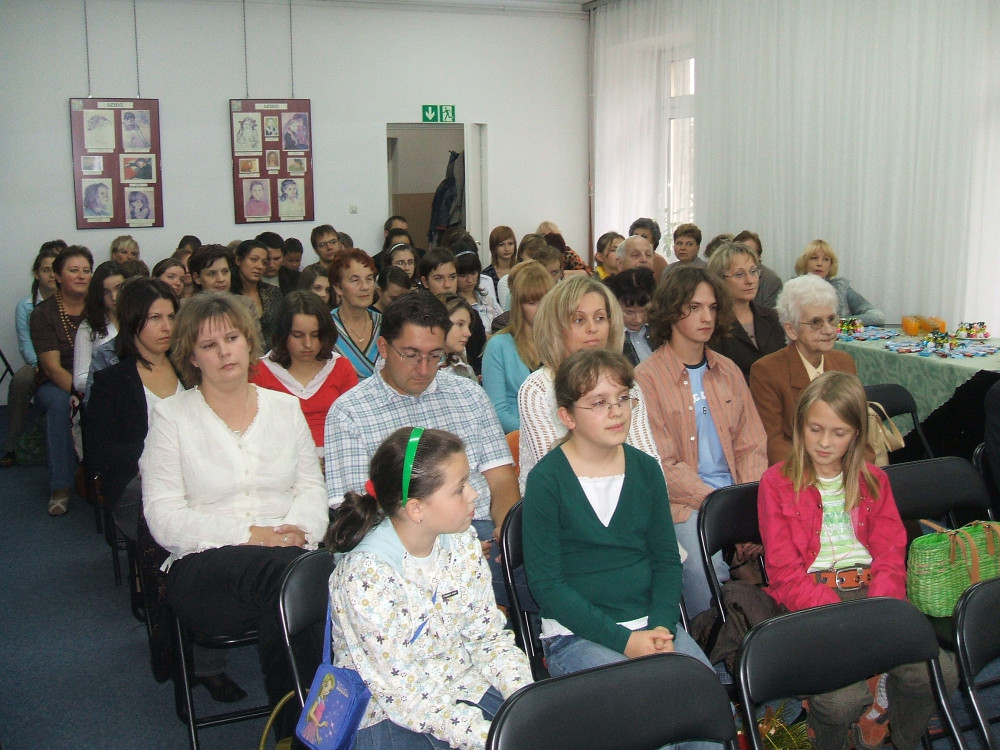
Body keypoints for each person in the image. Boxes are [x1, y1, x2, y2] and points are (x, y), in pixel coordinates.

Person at [140, 292, 328, 738]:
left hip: (289, 556)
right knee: (306, 580)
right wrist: (255, 534)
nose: (224, 351)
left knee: (292, 582)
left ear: (250, 343)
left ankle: (298, 731)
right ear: (191, 356)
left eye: (232, 338)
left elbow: (310, 486)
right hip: (205, 569)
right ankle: (306, 730)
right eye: (209, 345)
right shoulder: (171, 418)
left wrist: (300, 530)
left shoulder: (284, 408)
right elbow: (163, 518)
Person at [758, 371, 957, 750]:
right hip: (813, 601)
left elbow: (890, 554)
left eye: (839, 433)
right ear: (800, 425)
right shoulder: (776, 482)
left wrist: (878, 608)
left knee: (939, 674)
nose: (824, 442)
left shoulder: (873, 480)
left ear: (855, 435)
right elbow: (785, 573)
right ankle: (830, 736)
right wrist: (840, 617)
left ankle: (895, 738)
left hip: (874, 594)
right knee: (840, 701)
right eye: (815, 429)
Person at [522, 350, 716, 708]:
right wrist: (626, 642)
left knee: (704, 698)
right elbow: (547, 586)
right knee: (640, 706)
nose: (616, 411)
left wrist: (661, 626)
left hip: (653, 628)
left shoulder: (645, 470)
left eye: (622, 398)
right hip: (577, 635)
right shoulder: (547, 480)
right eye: (598, 403)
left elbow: (665, 560)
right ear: (567, 417)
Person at [326, 427, 531, 749]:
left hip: (461, 684)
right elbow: (403, 694)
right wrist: (487, 737)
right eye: (459, 488)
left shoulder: (462, 542)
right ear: (417, 508)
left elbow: (488, 637)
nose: (474, 494)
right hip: (389, 712)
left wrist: (525, 699)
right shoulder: (363, 577)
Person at [324, 291, 520, 603]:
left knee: (541, 580)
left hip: (481, 530)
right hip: (401, 549)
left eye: (435, 355)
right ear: (384, 347)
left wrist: (506, 535)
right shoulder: (349, 412)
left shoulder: (469, 395)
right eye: (411, 354)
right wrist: (449, 548)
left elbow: (501, 479)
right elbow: (357, 511)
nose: (424, 368)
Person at [634, 265, 768, 617]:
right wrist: (724, 511)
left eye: (711, 307)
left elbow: (752, 445)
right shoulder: (645, 379)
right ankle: (713, 646)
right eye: (694, 308)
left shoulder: (728, 370)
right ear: (671, 310)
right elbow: (663, 465)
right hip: (684, 503)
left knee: (793, 541)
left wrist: (748, 506)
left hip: (736, 493)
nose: (706, 317)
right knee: (698, 567)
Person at [517, 275, 661, 494]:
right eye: (579, 320)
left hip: (628, 502)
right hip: (561, 510)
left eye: (600, 318)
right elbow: (555, 476)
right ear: (556, 329)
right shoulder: (537, 389)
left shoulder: (627, 386)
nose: (592, 328)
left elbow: (650, 464)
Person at [749, 274, 860, 466]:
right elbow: (773, 443)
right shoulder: (767, 371)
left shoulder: (844, 363)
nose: (828, 330)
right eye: (816, 322)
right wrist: (821, 475)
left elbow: (860, 432)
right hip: (797, 474)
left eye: (831, 319)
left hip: (845, 473)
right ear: (791, 330)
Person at [251, 290, 357, 459]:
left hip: (337, 458)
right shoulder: (260, 372)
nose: (307, 344)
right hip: (280, 461)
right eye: (298, 335)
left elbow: (356, 423)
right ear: (283, 333)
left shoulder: (341, 367)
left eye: (315, 335)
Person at [30, 245, 93, 515]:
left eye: (86, 270)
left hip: (96, 376)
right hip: (56, 382)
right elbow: (52, 368)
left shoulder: (99, 307)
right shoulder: (43, 314)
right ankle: (61, 485)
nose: (81, 276)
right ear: (57, 276)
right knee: (59, 405)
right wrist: (83, 394)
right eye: (73, 270)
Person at [2, 241, 65, 467]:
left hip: (65, 360)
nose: (50, 275)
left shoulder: (70, 301)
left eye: (53, 270)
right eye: (45, 270)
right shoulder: (26, 306)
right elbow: (25, 345)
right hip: (36, 362)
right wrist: (42, 364)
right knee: (20, 380)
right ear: (36, 274)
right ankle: (12, 445)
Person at [482, 261, 556, 433]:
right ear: (518, 306)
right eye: (532, 303)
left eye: (545, 300)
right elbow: (498, 413)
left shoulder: (563, 342)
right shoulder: (498, 346)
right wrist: (541, 433)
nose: (541, 309)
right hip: (519, 440)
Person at [706, 240, 785, 382]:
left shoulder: (772, 317)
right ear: (719, 279)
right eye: (739, 274)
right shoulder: (712, 323)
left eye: (753, 271)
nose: (750, 280)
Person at [794, 239, 885, 326]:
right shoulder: (793, 289)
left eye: (826, 259)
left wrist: (840, 322)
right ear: (804, 262)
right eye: (814, 258)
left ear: (831, 264)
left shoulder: (841, 288)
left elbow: (877, 316)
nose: (819, 263)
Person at [73, 260, 125, 395]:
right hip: (105, 395)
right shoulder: (88, 327)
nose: (114, 297)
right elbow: (79, 380)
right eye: (106, 292)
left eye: (118, 288)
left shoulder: (139, 321)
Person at [330, 248, 381, 379]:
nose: (364, 286)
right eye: (355, 280)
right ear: (338, 287)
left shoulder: (385, 324)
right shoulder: (326, 326)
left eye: (369, 279)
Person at [231, 239, 283, 351]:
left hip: (274, 356)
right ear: (238, 260)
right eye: (254, 260)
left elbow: (282, 328)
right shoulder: (229, 296)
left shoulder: (273, 292)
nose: (260, 266)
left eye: (264, 263)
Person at [603, 267, 656, 366]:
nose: (638, 319)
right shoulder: (609, 338)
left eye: (644, 311)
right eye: (629, 312)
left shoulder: (659, 331)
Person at [733, 230, 782, 310]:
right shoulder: (728, 275)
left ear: (759, 256)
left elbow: (770, 316)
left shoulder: (771, 280)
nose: (746, 257)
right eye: (741, 252)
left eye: (750, 253)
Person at [438, 294, 477, 381]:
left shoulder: (464, 368)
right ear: (439, 323)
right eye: (460, 324)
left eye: (468, 326)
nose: (468, 333)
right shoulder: (420, 373)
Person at [629, 217, 670, 282]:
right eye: (635, 236)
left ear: (653, 242)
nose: (638, 240)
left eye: (644, 237)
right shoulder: (626, 257)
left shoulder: (658, 261)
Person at [482, 225, 517, 295]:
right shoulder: (487, 275)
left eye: (510, 244)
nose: (506, 249)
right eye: (501, 244)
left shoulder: (521, 270)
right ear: (494, 247)